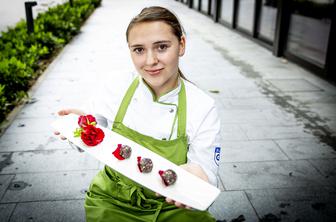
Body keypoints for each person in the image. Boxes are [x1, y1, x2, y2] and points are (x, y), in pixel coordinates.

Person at [55, 6, 221, 222]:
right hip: (112, 200)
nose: (150, 61)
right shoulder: (116, 86)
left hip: (174, 206)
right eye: (139, 50)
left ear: (181, 45)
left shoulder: (202, 106)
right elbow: (94, 132)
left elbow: (206, 171)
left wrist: (197, 178)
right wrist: (80, 127)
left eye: (161, 47)